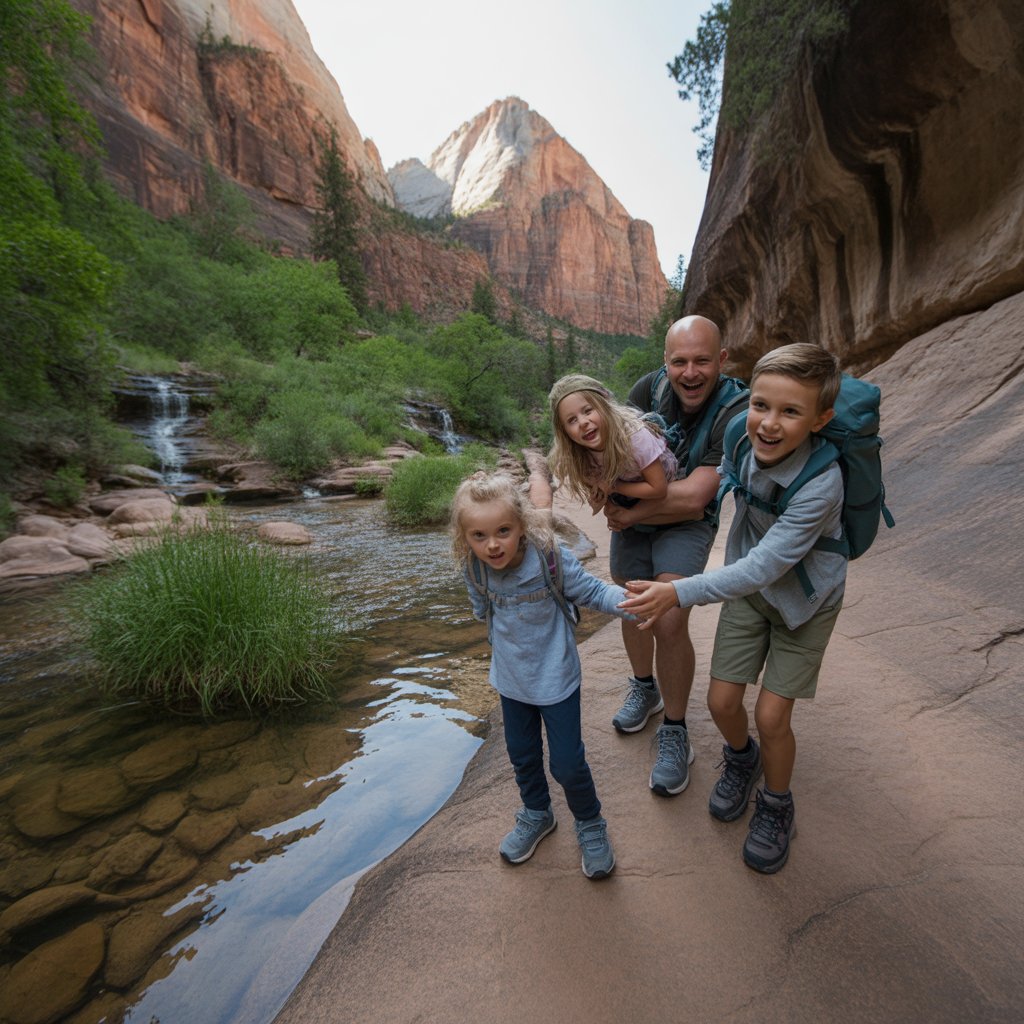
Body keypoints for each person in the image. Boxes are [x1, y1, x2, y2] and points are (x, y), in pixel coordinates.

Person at [620, 343, 845, 873]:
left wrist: (677, 590)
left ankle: (776, 803)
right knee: (722, 704)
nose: (768, 423)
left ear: (821, 419)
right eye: (761, 405)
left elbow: (764, 565)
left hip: (805, 602)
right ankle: (741, 760)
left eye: (790, 412)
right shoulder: (743, 441)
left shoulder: (823, 484)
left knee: (771, 716)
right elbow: (716, 491)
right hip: (752, 597)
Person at [451, 470, 635, 880]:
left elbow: (591, 591)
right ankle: (537, 813)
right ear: (465, 538)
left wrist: (635, 602)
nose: (493, 544)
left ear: (521, 524)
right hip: (511, 682)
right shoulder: (474, 569)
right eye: (479, 536)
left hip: (556, 678)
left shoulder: (549, 556)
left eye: (503, 530)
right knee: (523, 756)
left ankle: (589, 822)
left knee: (568, 764)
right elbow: (481, 609)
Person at [605, 315, 748, 798]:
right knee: (631, 604)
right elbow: (608, 453)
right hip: (635, 516)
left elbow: (693, 498)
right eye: (680, 361)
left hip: (686, 521)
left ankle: (675, 728)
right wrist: (609, 493)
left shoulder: (737, 407)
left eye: (702, 360)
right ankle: (644, 686)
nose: (690, 373)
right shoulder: (647, 388)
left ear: (722, 360)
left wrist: (624, 506)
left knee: (666, 618)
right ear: (665, 363)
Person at [548, 373, 677, 514]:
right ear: (565, 432)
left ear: (605, 406)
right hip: (630, 493)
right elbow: (598, 502)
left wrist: (614, 487)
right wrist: (599, 498)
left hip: (666, 490)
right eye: (572, 420)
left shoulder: (635, 437)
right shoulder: (579, 456)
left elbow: (659, 489)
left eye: (588, 411)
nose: (583, 422)